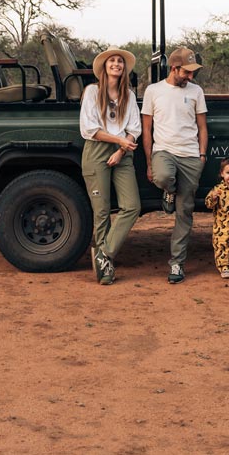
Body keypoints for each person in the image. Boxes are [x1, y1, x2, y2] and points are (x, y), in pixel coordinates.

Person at [142, 46, 208, 284]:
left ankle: (177, 263)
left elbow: (202, 126)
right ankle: (169, 191)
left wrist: (201, 156)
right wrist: (149, 163)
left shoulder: (196, 91)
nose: (190, 77)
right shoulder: (153, 91)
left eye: (192, 72)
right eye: (187, 72)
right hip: (164, 151)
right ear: (174, 68)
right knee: (162, 178)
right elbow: (146, 130)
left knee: (185, 212)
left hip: (190, 155)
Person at [79, 47, 140, 285]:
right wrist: (119, 141)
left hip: (122, 152)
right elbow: (89, 128)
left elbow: (134, 128)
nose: (116, 64)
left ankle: (104, 253)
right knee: (102, 211)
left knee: (131, 206)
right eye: (112, 61)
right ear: (104, 67)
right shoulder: (92, 92)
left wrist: (121, 150)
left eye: (120, 62)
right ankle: (105, 269)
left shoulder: (129, 95)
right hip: (97, 149)